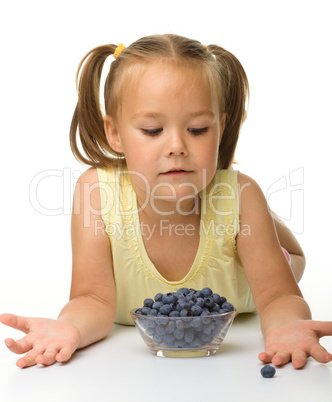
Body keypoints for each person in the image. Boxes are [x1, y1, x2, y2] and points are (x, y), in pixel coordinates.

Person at [1, 34, 331, 369]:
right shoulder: (97, 193)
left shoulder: (242, 196)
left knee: (248, 211)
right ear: (114, 133)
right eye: (153, 130)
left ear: (222, 126)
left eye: (199, 129)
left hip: (262, 259)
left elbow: (278, 296)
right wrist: (67, 327)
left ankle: (262, 224)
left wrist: (288, 326)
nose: (176, 146)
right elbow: (92, 298)